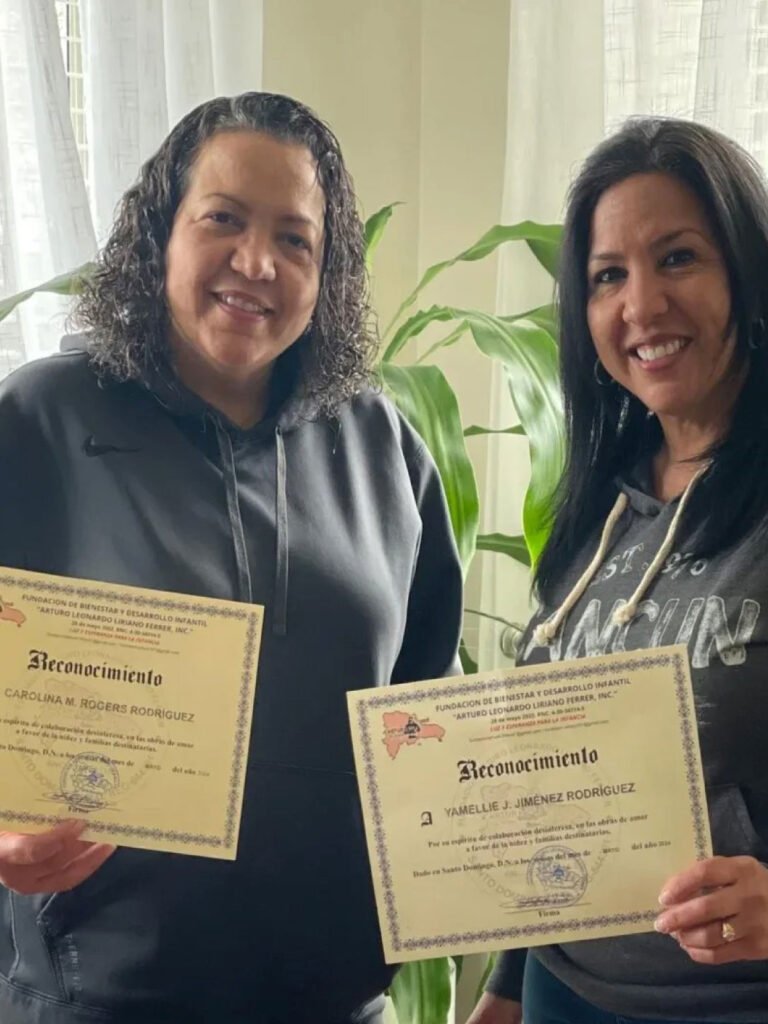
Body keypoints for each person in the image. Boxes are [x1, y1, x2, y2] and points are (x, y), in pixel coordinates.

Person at [0, 92, 463, 1024]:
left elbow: (426, 712)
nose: (257, 263)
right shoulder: (40, 420)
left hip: (334, 999)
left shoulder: (384, 446)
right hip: (99, 996)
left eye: (295, 239)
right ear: (159, 236)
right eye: (223, 219)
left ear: (327, 274)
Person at [468, 117, 768, 1024]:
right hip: (562, 991)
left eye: (678, 258)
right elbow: (560, 789)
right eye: (608, 276)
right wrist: (505, 989)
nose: (642, 305)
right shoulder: (596, 506)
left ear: (747, 270)